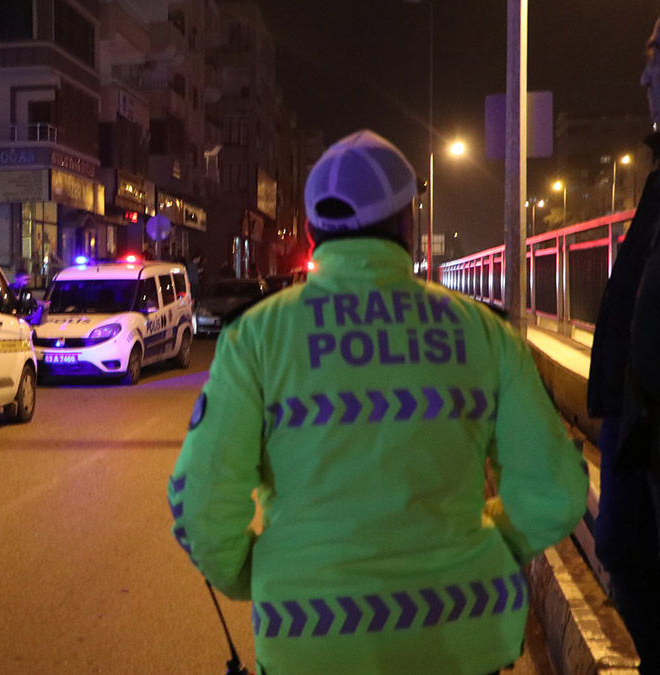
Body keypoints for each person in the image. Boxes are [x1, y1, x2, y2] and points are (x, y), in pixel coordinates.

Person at [168, 130, 588, 675]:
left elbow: (199, 506)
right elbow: (555, 491)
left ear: (315, 231)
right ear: (408, 224)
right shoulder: (482, 334)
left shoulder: (257, 337)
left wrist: (258, 571)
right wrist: (487, 544)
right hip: (461, 636)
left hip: (311, 644)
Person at [587, 17, 660, 673]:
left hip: (647, 436)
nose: (644, 76)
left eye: (656, 58)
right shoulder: (657, 182)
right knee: (627, 563)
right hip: (635, 432)